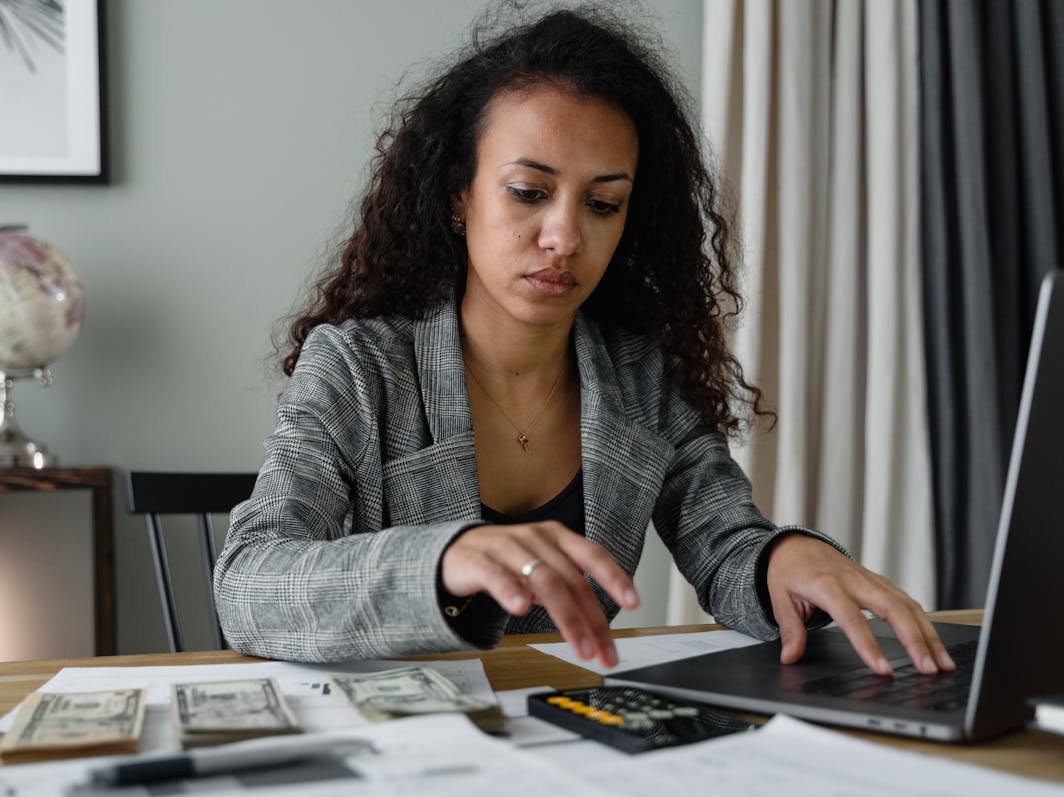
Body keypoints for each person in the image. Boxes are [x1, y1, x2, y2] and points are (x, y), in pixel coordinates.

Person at [216, 6, 953, 678]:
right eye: (530, 192)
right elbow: (249, 580)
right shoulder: (357, 367)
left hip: (577, 734)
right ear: (459, 195)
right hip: (410, 750)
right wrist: (442, 560)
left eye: (603, 203)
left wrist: (785, 556)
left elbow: (726, 542)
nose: (566, 236)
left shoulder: (637, 376)